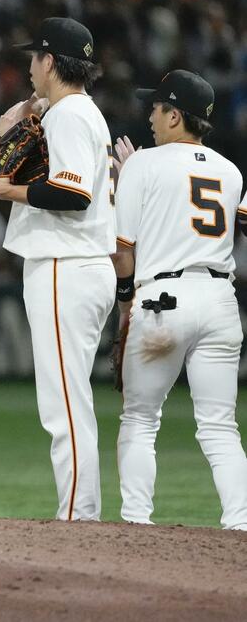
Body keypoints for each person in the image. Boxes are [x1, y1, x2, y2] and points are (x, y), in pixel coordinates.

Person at [111, 70, 247, 529]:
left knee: (141, 419)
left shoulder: (143, 164)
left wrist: (125, 301)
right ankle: (241, 524)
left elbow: (122, 248)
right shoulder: (230, 171)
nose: (149, 114)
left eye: (156, 107)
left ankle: (136, 522)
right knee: (219, 426)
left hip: (162, 300)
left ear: (174, 114)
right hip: (219, 299)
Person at [0, 17, 115, 521]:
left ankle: (77, 515)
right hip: (80, 265)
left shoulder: (68, 115)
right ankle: (78, 510)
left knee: (63, 403)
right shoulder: (82, 113)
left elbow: (71, 192)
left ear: (49, 62)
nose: (29, 66)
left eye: (33, 58)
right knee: (68, 399)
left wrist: (11, 191)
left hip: (67, 265)